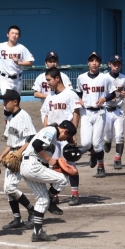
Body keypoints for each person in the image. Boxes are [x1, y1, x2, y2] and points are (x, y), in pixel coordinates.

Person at [20, 121, 76, 242]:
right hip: (32, 165)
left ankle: (37, 233)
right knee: (63, 179)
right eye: (67, 137)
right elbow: (36, 144)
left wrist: (52, 165)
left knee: (42, 200)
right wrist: (49, 159)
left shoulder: (53, 136)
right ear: (65, 131)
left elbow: (42, 155)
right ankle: (51, 201)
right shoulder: (52, 131)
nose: (64, 140)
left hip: (30, 166)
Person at [0, 90, 36, 230]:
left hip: (22, 154)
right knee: (7, 189)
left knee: (10, 188)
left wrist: (18, 153)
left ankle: (32, 211)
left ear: (15, 102)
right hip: (13, 154)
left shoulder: (24, 116)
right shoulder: (10, 118)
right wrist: (1, 157)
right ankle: (17, 218)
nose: (4, 104)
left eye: (6, 101)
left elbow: (31, 137)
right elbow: (10, 143)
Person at [42, 67, 81, 209]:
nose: (47, 83)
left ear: (57, 78)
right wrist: (45, 133)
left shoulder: (70, 94)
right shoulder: (50, 96)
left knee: (70, 163)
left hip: (66, 135)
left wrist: (73, 133)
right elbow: (46, 115)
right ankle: (55, 194)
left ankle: (75, 193)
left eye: (49, 80)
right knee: (54, 165)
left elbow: (76, 113)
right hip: (53, 136)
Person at [75, 52, 116, 178]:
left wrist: (104, 99)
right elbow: (78, 92)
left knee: (97, 142)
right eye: (92, 60)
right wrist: (79, 99)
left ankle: (101, 166)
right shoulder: (81, 78)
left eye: (96, 61)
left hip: (100, 112)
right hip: (86, 112)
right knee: (86, 143)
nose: (94, 63)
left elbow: (113, 93)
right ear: (88, 63)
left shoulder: (105, 78)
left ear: (100, 63)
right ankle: (93, 152)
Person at [102, 55, 125, 169]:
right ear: (109, 64)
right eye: (114, 64)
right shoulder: (104, 78)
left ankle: (118, 158)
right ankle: (107, 141)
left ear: (121, 65)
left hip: (119, 110)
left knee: (120, 136)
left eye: (118, 64)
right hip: (106, 110)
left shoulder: (124, 78)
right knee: (108, 136)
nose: (116, 66)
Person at [0, 25, 34, 94]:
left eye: (16, 34)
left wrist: (19, 63)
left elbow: (30, 62)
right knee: (7, 98)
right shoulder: (1, 46)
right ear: (7, 34)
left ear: (19, 36)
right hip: (4, 78)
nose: (14, 35)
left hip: (17, 79)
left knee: (16, 100)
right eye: (12, 33)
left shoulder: (21, 48)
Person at [32, 51, 72, 122]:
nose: (52, 63)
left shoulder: (64, 77)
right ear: (46, 63)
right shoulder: (40, 77)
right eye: (50, 61)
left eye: (54, 61)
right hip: (46, 107)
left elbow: (69, 92)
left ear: (57, 63)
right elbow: (36, 93)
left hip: (61, 107)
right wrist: (50, 97)